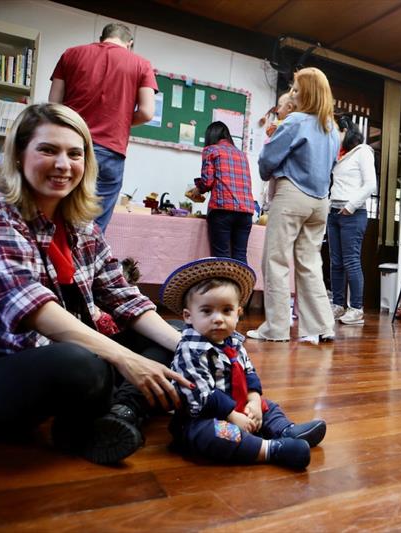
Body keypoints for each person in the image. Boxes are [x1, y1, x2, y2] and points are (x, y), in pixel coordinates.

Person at [0, 103, 191, 464]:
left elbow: (124, 297)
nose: (63, 164)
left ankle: (118, 415)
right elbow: (32, 308)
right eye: (48, 150)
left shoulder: (82, 226)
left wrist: (195, 349)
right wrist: (126, 359)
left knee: (178, 335)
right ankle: (103, 414)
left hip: (64, 352)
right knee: (81, 363)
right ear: (19, 155)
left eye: (75, 154)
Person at [162, 257, 327, 470]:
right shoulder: (190, 349)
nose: (218, 318)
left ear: (238, 313)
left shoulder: (234, 343)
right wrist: (233, 416)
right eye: (207, 311)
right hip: (203, 417)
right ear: (188, 316)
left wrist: (254, 402)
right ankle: (271, 449)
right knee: (215, 433)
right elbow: (200, 396)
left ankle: (286, 430)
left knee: (269, 406)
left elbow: (249, 373)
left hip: (237, 404)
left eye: (226, 310)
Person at [246, 67, 340, 344]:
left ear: (308, 94)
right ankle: (322, 326)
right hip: (320, 201)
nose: (293, 94)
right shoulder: (332, 129)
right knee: (310, 263)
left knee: (275, 260)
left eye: (297, 90)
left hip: (292, 195)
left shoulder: (295, 121)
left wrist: (266, 173)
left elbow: (268, 159)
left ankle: (276, 329)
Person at [49, 22, 157, 232]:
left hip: (71, 146)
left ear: (101, 39)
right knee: (93, 229)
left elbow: (53, 105)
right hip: (110, 150)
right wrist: (120, 120)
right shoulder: (142, 64)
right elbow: (146, 112)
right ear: (130, 43)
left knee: (58, 217)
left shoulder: (71, 54)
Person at [328, 115, 377, 326]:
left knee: (351, 261)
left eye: (335, 131)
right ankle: (338, 305)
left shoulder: (363, 151)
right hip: (333, 212)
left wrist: (350, 207)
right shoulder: (338, 154)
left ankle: (356, 308)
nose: (332, 135)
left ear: (345, 130)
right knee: (336, 262)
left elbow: (370, 185)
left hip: (352, 213)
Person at [186, 121, 255, 263]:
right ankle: (244, 279)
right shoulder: (242, 154)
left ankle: (223, 279)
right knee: (240, 257)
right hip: (246, 212)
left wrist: (198, 189)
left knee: (222, 258)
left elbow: (207, 182)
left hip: (222, 210)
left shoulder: (211, 150)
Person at [260, 92, 297, 213]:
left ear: (290, 108)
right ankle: (270, 202)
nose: (278, 110)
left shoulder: (287, 126)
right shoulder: (280, 124)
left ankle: (270, 203)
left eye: (280, 106)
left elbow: (267, 157)